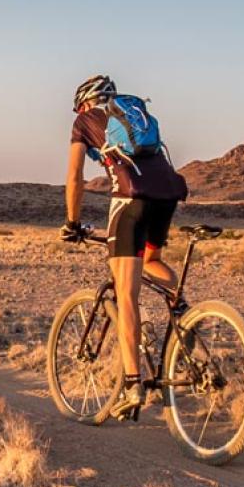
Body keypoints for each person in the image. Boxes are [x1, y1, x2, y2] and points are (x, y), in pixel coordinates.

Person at [61, 75, 188, 420]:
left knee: (126, 294)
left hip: (130, 199)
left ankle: (133, 384)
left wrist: (72, 224)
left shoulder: (84, 120)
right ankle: (183, 312)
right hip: (167, 193)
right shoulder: (134, 115)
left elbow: (75, 177)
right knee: (152, 259)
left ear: (84, 102)